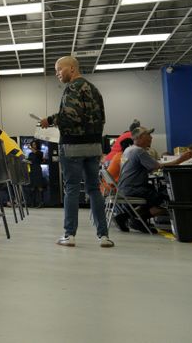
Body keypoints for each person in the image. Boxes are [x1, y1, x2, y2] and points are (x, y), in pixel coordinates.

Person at [40, 56, 113, 248]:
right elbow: (102, 118)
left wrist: (49, 120)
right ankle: (103, 236)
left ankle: (69, 235)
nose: (56, 73)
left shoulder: (72, 88)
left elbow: (70, 116)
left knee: (71, 189)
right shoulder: (95, 90)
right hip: (94, 146)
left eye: (59, 69)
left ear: (72, 68)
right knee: (94, 189)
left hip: (72, 147)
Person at [116, 127, 192, 233]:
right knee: (166, 200)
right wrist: (180, 160)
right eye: (148, 135)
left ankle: (128, 217)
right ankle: (137, 219)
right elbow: (158, 166)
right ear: (141, 137)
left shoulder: (128, 150)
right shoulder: (139, 151)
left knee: (155, 193)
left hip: (124, 188)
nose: (151, 138)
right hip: (134, 189)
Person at [27, 140, 47, 208]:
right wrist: (26, 161)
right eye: (32, 145)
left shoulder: (40, 152)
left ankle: (41, 202)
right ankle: (33, 203)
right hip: (32, 170)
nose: (33, 146)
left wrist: (30, 148)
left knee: (39, 186)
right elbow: (30, 160)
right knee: (32, 187)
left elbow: (39, 157)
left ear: (37, 145)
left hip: (37, 170)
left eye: (34, 144)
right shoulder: (30, 154)